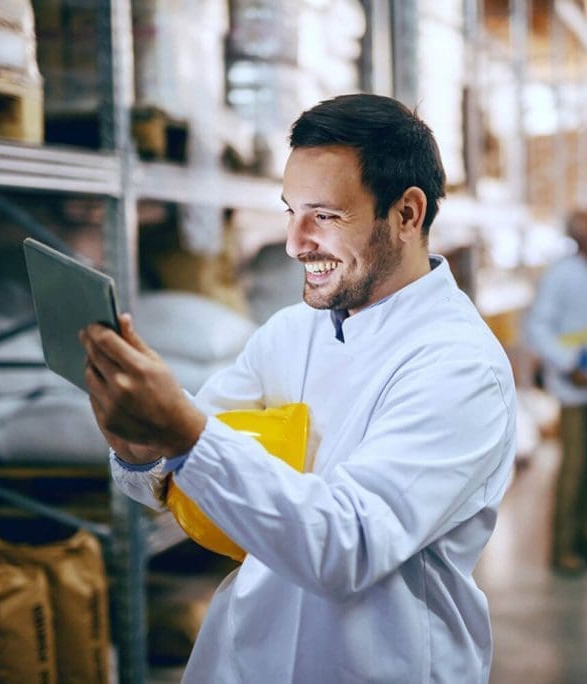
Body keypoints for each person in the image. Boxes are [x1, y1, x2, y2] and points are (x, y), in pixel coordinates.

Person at [80, 93, 517, 682]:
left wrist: (181, 430)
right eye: (290, 211)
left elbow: (346, 546)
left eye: (325, 216)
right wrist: (140, 447)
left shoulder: (459, 368)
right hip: (246, 657)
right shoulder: (292, 332)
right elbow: (183, 475)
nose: (294, 242)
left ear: (408, 214)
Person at [524, 209, 587, 575]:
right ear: (579, 233)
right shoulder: (560, 275)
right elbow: (539, 328)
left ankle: (583, 535)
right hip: (573, 380)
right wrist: (568, 364)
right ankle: (562, 548)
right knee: (574, 465)